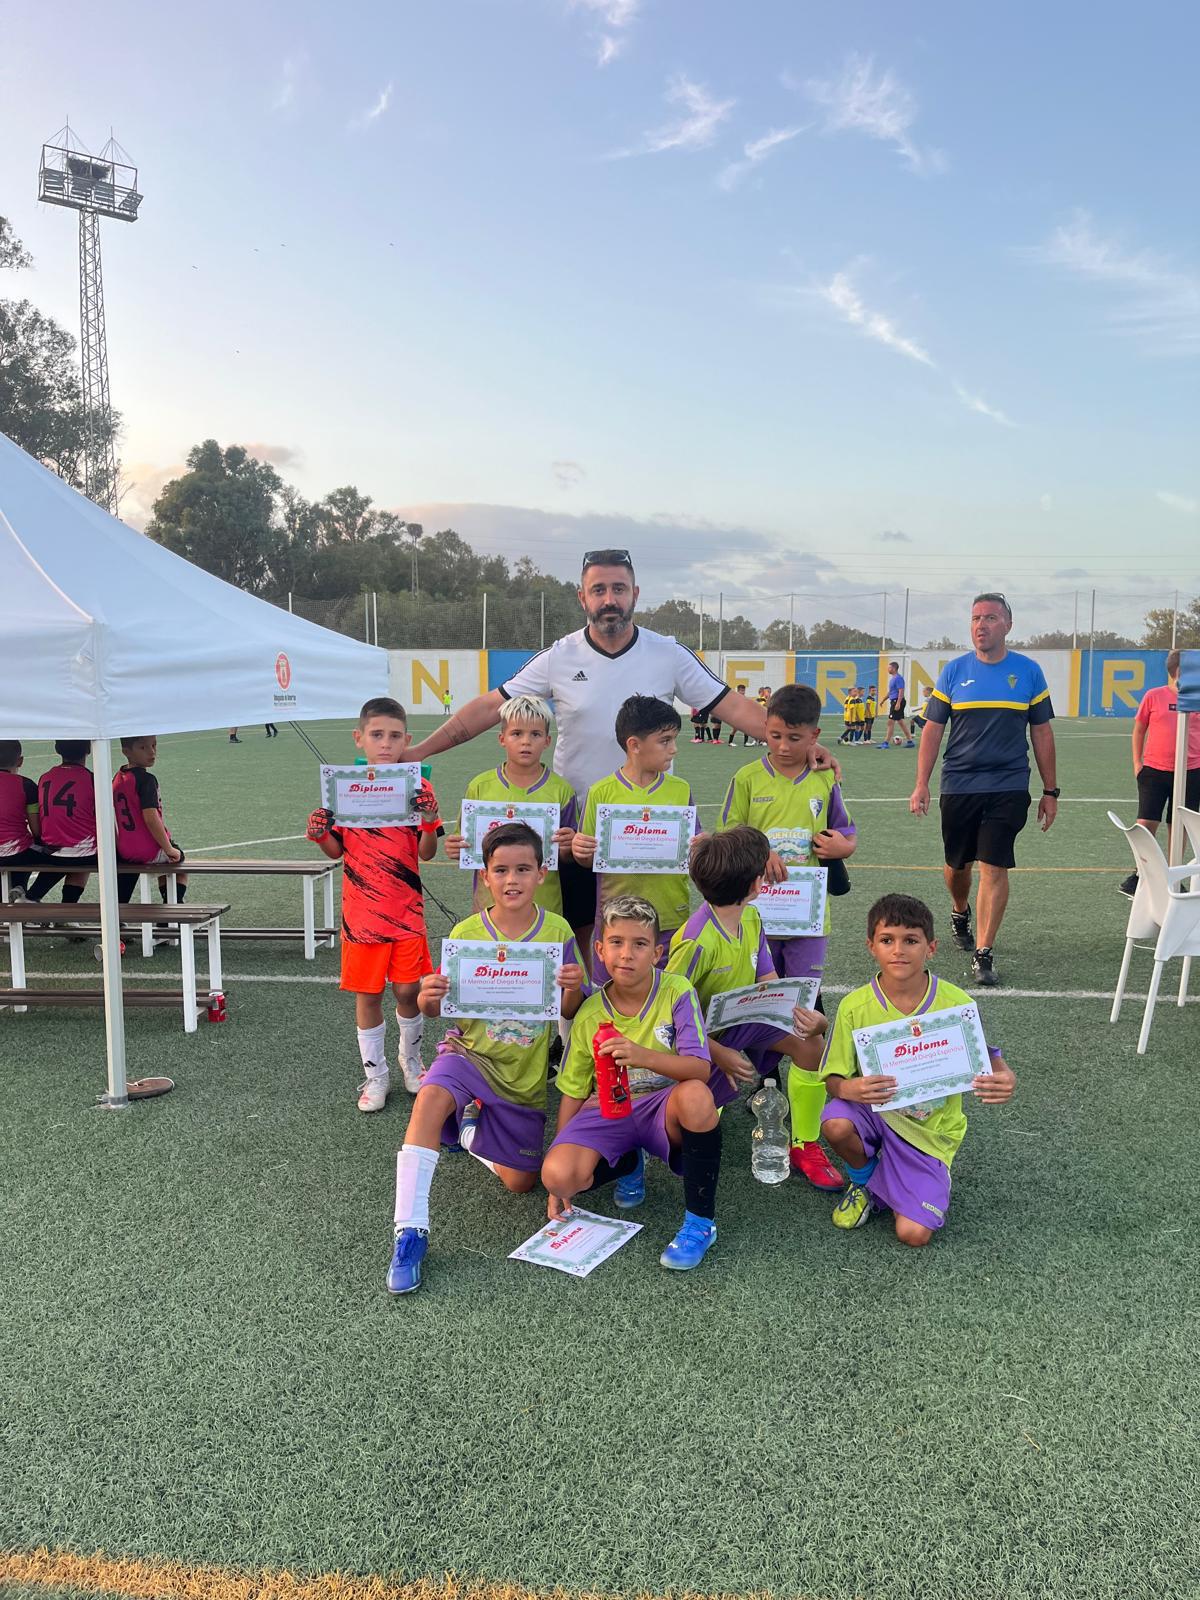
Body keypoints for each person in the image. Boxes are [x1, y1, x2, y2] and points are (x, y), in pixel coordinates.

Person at [406, 550, 833, 945]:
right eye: (598, 590)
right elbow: (489, 707)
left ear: (635, 594)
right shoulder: (559, 656)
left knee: (644, 939)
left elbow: (734, 707)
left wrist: (795, 747)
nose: (609, 599)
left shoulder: (668, 653)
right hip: (577, 832)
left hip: (648, 832)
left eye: (618, 588)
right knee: (580, 934)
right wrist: (419, 751)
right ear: (583, 597)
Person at [387, 822, 586, 1294]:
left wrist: (573, 988)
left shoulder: (556, 930)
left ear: (541, 873)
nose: (512, 879)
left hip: (523, 1075)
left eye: (523, 869)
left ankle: (469, 1128)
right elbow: (436, 1008)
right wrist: (428, 997)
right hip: (469, 1052)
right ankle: (409, 1231)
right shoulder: (467, 932)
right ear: (485, 876)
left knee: (521, 1182)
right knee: (430, 1096)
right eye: (501, 870)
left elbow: (570, 1010)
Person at [817, 893, 1015, 1246]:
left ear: (931, 947)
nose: (898, 950)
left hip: (929, 1130)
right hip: (876, 1113)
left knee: (913, 1234)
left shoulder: (956, 1003)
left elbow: (988, 1056)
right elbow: (833, 1078)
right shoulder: (853, 1006)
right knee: (835, 1123)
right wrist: (848, 1089)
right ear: (871, 946)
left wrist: (1004, 1075)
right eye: (887, 940)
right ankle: (865, 1181)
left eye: (911, 940)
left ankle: (913, 1176)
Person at [541, 894, 727, 1271]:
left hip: (663, 1107)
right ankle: (628, 1163)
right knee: (558, 1174)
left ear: (656, 953)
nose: (627, 954)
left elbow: (700, 1069)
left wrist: (642, 1055)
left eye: (639, 944)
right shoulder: (590, 1012)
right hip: (610, 1110)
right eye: (616, 942)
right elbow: (573, 1091)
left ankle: (700, 1223)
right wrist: (558, 1162)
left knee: (696, 1096)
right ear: (600, 950)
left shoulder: (677, 991)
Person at [720, 684, 856, 1177]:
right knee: (757, 999)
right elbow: (728, 834)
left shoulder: (824, 779)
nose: (782, 746)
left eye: (794, 738)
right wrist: (759, 852)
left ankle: (805, 1131)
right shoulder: (746, 777)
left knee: (802, 1008)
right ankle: (761, 1085)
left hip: (807, 919)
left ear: (814, 736)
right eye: (775, 735)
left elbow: (846, 832)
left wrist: (842, 847)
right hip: (757, 916)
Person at [666, 827, 841, 1191]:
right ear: (756, 883)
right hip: (701, 1039)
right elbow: (668, 1012)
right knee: (690, 1129)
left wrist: (803, 1017)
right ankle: (693, 1106)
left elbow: (769, 980)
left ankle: (804, 1144)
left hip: (744, 1019)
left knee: (810, 1043)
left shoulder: (752, 917)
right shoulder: (697, 941)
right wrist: (720, 1053)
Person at [908, 593, 1058, 989]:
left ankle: (984, 952)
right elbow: (933, 731)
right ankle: (960, 910)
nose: (981, 625)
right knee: (958, 866)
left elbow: (1042, 732)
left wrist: (1050, 790)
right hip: (960, 785)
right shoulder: (954, 672)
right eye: (976, 618)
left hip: (1009, 784)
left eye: (990, 617)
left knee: (994, 864)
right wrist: (922, 783)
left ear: (1008, 625)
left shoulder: (1028, 672)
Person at [307, 697, 443, 1110]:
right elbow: (336, 851)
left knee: (408, 990)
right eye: (377, 735)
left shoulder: (418, 787)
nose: (386, 743)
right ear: (359, 738)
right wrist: (320, 833)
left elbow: (427, 852)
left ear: (407, 740)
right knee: (367, 996)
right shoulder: (344, 786)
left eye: (395, 736)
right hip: (362, 914)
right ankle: (376, 1076)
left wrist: (429, 820)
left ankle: (411, 1061)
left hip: (406, 911)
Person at [572, 695, 697, 982]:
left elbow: (695, 848)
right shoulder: (602, 792)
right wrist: (581, 850)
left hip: (669, 916)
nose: (674, 749)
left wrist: (701, 846)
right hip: (615, 920)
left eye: (674, 739)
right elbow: (588, 858)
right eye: (665, 741)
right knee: (611, 996)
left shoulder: (680, 789)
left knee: (665, 995)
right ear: (634, 745)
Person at [443, 694, 577, 918]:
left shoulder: (561, 790)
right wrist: (455, 848)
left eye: (535, 734)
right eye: (517, 733)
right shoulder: (480, 786)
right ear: (502, 738)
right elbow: (464, 843)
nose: (526, 741)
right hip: (489, 908)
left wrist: (569, 846)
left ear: (547, 741)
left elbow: (568, 855)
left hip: (545, 909)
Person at [1119, 650, 1200, 898]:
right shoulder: (1154, 696)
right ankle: (1140, 875)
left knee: (1179, 825)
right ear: (1179, 671)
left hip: (1190, 771)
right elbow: (1139, 729)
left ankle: (1173, 876)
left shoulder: (1197, 699)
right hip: (1154, 770)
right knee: (1145, 823)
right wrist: (1138, 763)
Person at [113, 737, 188, 906]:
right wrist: (168, 848)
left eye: (154, 745)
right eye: (143, 748)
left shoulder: (117, 778)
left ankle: (118, 908)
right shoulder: (146, 780)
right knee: (178, 860)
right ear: (126, 752)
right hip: (147, 850)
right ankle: (172, 905)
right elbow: (150, 817)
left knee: (128, 873)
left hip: (125, 849)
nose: (151, 752)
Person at [25, 741, 97, 908]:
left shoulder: (45, 777)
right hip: (84, 854)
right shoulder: (93, 779)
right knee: (83, 851)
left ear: (57, 749)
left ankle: (33, 895)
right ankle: (68, 905)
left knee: (67, 852)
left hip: (51, 851)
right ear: (88, 749)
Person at [0, 741, 44, 897]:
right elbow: (36, 829)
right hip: (17, 853)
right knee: (41, 848)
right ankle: (21, 888)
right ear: (20, 761)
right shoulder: (27, 785)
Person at [878, 661, 913, 748]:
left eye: (889, 667)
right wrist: (883, 700)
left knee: (890, 722)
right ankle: (910, 741)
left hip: (897, 701)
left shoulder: (898, 678)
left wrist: (898, 703)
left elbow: (901, 691)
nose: (888, 669)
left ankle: (886, 743)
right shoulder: (893, 679)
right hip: (894, 701)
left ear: (894, 668)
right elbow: (891, 692)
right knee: (900, 722)